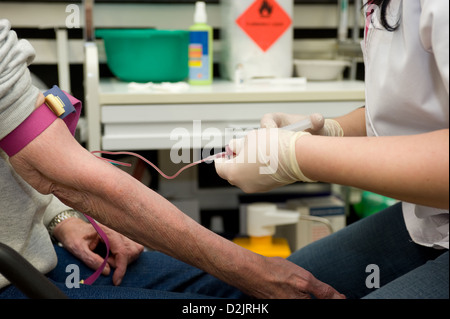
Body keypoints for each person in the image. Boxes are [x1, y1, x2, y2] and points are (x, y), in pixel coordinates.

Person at [0, 19, 344, 299]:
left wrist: (62, 218)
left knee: (243, 291)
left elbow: (24, 157)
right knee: (254, 290)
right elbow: (66, 176)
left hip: (33, 257)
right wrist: (254, 270)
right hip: (11, 278)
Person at [215, 0, 449, 299]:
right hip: (432, 216)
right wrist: (334, 131)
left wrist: (296, 157)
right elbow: (418, 110)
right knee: (267, 291)